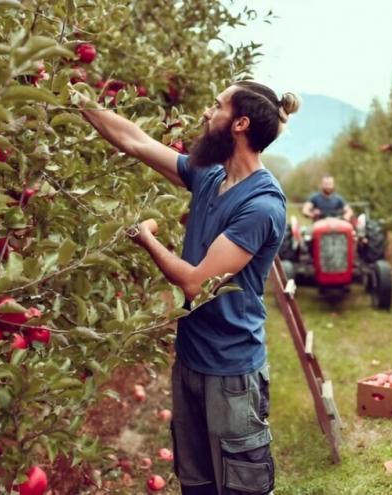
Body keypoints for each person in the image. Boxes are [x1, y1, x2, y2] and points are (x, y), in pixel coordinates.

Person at [75, 80, 299, 495]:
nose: (206, 113)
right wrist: (79, 101)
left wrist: (146, 237)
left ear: (240, 123)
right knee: (195, 483)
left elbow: (197, 283)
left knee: (239, 488)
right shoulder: (211, 178)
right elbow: (135, 142)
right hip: (192, 360)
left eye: (217, 106)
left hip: (231, 373)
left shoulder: (262, 205)